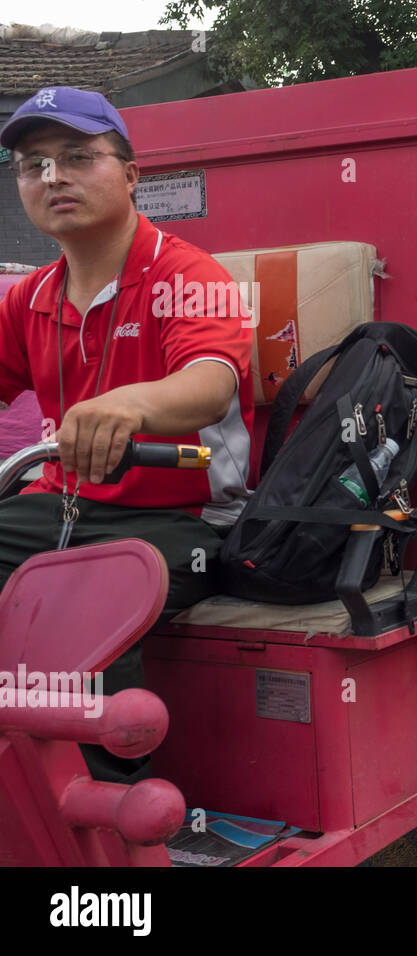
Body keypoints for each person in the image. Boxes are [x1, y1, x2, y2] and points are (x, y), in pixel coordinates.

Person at [0, 87, 253, 782]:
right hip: (62, 507)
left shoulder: (187, 275)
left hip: (186, 520)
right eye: (33, 164)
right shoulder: (32, 298)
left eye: (78, 157)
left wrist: (130, 404)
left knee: (85, 596)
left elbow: (210, 382)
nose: (53, 177)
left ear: (131, 174)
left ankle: (110, 823)